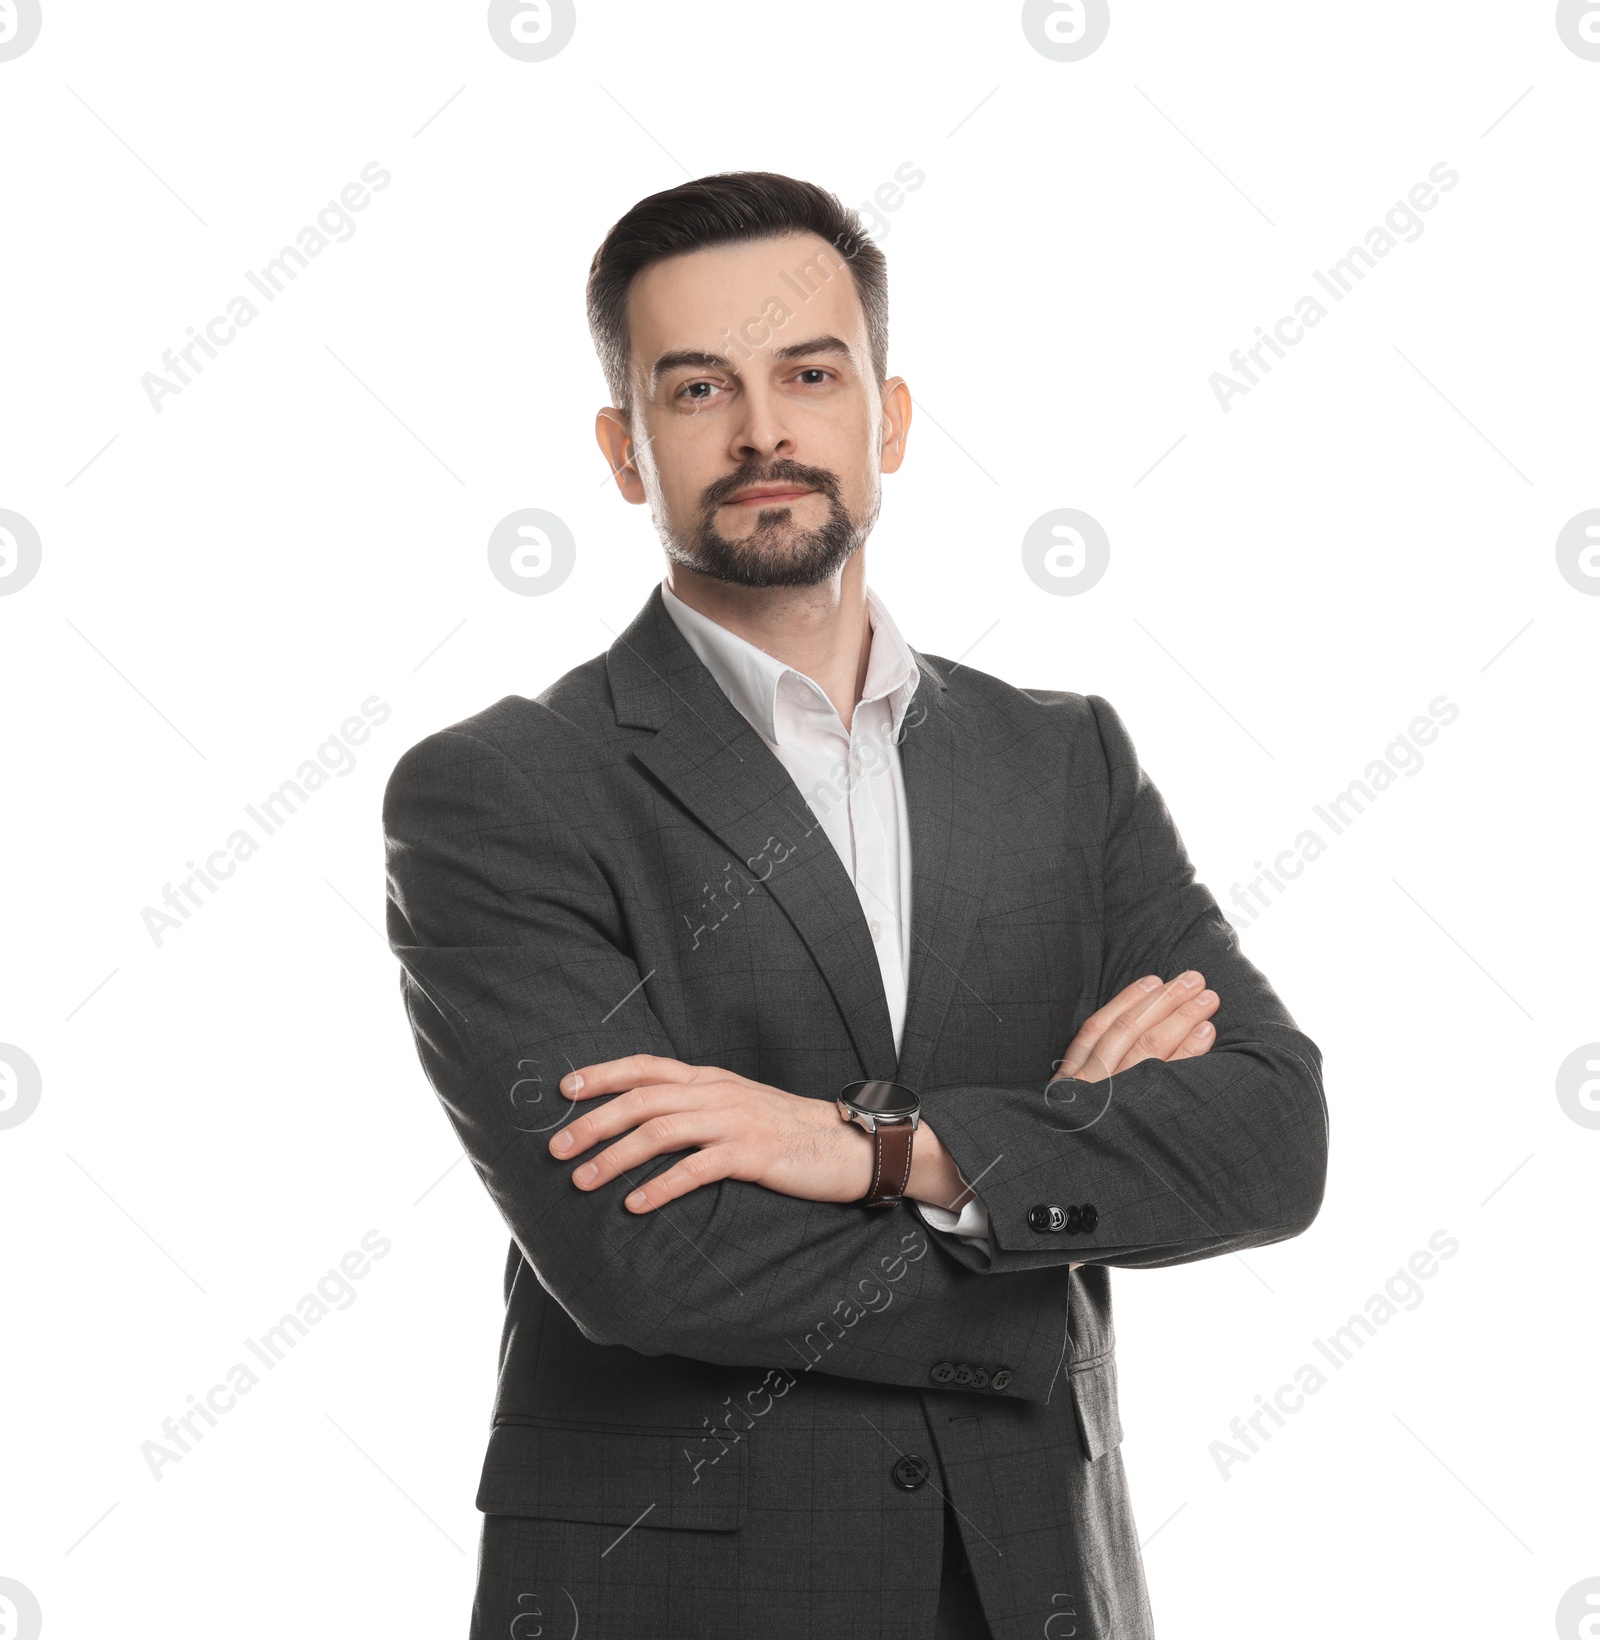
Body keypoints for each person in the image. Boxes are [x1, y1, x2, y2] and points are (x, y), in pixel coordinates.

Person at [382, 171, 1328, 1640]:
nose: (764, 429)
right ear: (625, 453)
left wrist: (878, 1152)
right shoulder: (503, 791)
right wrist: (1042, 1195)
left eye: (809, 375)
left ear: (885, 418)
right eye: (697, 389)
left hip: (1038, 1585)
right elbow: (646, 1261)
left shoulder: (1060, 759)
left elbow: (1271, 1139)